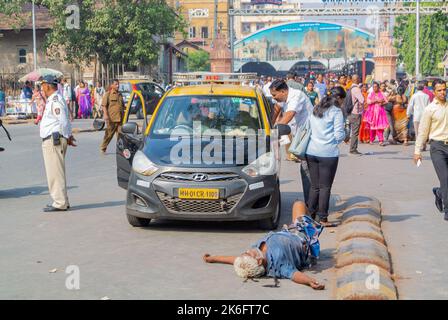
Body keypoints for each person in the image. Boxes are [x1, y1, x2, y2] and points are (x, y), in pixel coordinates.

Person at [203, 201, 325, 290]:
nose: (247, 250)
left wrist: (213, 258)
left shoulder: (253, 257)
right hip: (299, 236)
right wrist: (310, 281)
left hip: (287, 232)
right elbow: (295, 275)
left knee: (299, 209)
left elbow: (234, 259)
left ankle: (310, 222)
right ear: (260, 261)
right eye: (248, 253)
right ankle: (312, 227)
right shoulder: (279, 265)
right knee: (299, 205)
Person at [306, 87, 346, 225]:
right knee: (325, 187)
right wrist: (343, 135)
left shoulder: (316, 109)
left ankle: (309, 216)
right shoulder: (336, 112)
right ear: (339, 98)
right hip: (327, 153)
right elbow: (339, 135)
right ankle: (322, 217)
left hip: (311, 152)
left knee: (314, 186)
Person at [270, 79, 313, 203]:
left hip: (309, 135)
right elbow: (276, 109)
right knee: (305, 169)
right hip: (300, 134)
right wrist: (268, 126)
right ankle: (311, 201)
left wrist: (274, 131)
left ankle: (311, 204)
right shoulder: (284, 97)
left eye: (275, 95)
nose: (274, 98)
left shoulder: (296, 96)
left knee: (306, 169)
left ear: (283, 91)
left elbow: (289, 114)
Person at [39, 75, 76, 212]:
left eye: (43, 85)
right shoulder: (53, 99)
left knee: (55, 173)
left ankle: (59, 202)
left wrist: (68, 136)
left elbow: (63, 120)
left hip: (54, 140)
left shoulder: (55, 100)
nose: (42, 88)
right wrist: (68, 136)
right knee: (56, 171)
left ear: (48, 86)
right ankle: (63, 201)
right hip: (54, 138)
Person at [413, 79, 448, 221]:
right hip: (437, 147)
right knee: (445, 178)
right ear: (434, 92)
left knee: (446, 182)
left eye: (444, 89)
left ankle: (440, 192)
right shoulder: (430, 109)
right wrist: (417, 151)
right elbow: (423, 131)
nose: (442, 92)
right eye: (439, 90)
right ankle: (447, 209)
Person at [100, 79, 125, 154]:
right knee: (109, 135)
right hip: (111, 118)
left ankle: (120, 150)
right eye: (116, 84)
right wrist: (105, 115)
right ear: (112, 85)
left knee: (120, 136)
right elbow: (104, 105)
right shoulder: (108, 94)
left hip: (120, 118)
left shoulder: (120, 94)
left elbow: (122, 105)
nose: (118, 86)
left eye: (118, 84)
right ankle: (103, 147)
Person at [407, 81, 430, 150]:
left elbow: (410, 106)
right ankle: (424, 145)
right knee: (424, 131)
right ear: (423, 88)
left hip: (416, 116)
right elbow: (429, 107)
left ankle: (419, 146)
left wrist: (408, 114)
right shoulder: (427, 96)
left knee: (417, 132)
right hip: (425, 116)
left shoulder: (414, 96)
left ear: (417, 88)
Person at [347, 75, 365, 155]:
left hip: (350, 111)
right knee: (355, 132)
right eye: (359, 78)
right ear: (357, 79)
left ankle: (352, 147)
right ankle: (353, 149)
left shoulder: (350, 88)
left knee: (352, 131)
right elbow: (362, 100)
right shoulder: (356, 89)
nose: (360, 79)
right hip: (356, 112)